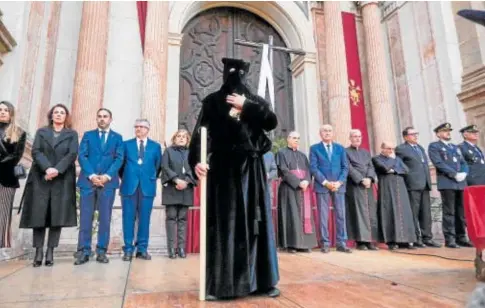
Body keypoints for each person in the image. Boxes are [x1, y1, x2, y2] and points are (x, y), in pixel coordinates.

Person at [188, 57, 280, 300]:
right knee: (224, 227)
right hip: (223, 172)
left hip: (252, 170)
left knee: (256, 224)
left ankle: (263, 282)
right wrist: (196, 160)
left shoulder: (256, 101)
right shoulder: (212, 102)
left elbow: (271, 122)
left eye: (239, 72)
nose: (235, 76)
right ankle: (222, 285)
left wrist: (246, 106)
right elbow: (200, 134)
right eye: (231, 72)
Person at [19, 104, 79, 267]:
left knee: (56, 215)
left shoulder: (72, 134)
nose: (59, 115)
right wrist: (47, 168)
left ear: (66, 117)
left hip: (62, 179)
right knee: (39, 214)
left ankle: (51, 251)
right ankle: (38, 251)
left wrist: (57, 169)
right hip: (41, 177)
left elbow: (72, 153)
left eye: (62, 113)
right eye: (56, 112)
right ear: (51, 115)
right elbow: (36, 151)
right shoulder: (41, 132)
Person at [74, 108, 124, 265]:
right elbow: (82, 156)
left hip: (108, 183)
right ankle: (83, 251)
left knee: (105, 218)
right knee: (85, 218)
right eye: (100, 116)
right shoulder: (88, 135)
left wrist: (107, 176)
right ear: (96, 119)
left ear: (110, 119)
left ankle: (101, 251)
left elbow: (119, 158)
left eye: (105, 116)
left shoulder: (118, 137)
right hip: (88, 182)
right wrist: (92, 175)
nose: (102, 119)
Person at [119, 119, 162, 261]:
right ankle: (128, 249)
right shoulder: (126, 144)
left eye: (142, 127)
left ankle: (142, 249)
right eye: (136, 126)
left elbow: (158, 166)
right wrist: (128, 177)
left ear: (148, 129)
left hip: (147, 187)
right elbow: (120, 166)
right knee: (128, 218)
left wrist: (148, 177)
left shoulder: (155, 146)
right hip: (129, 186)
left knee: (144, 219)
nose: (139, 129)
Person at [428, 122, 473, 248]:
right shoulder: (434, 146)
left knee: (461, 212)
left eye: (449, 131)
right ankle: (450, 239)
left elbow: (463, 162)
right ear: (438, 134)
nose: (448, 133)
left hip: (460, 183)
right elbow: (438, 162)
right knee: (449, 212)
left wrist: (464, 172)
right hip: (447, 182)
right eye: (445, 131)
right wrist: (454, 174)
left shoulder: (454, 147)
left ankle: (461, 237)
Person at [395, 127, 441, 248]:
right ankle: (416, 238)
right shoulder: (401, 149)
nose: (416, 136)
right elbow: (400, 165)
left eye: (416, 133)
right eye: (412, 134)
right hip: (412, 185)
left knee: (426, 213)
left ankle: (427, 237)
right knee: (414, 213)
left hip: (425, 184)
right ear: (405, 137)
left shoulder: (420, 148)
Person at [309, 124, 351, 253]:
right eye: (324, 131)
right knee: (323, 216)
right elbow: (314, 168)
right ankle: (325, 243)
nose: (327, 133)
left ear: (333, 133)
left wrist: (339, 182)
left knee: (341, 215)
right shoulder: (314, 148)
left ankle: (341, 243)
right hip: (322, 186)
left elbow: (345, 167)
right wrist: (325, 182)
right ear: (320, 134)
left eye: (329, 131)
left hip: (339, 186)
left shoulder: (340, 148)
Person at [275, 131, 317, 252]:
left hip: (304, 188)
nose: (296, 140)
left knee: (305, 215)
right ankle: (291, 245)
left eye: (298, 138)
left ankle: (304, 245)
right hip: (289, 188)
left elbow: (309, 171)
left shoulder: (302, 155)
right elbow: (283, 170)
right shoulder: (281, 153)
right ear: (288, 139)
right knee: (291, 215)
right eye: (294, 138)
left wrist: (306, 181)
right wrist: (298, 182)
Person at [372, 142, 417, 250]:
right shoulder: (376, 158)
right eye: (389, 148)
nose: (391, 151)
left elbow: (406, 170)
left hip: (400, 187)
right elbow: (384, 168)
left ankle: (405, 240)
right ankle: (391, 241)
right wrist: (394, 164)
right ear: (382, 148)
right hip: (387, 187)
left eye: (393, 148)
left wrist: (394, 170)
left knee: (403, 212)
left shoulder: (397, 158)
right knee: (389, 212)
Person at [161, 129, 195, 259]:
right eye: (178, 136)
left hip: (186, 189)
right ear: (174, 139)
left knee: (182, 219)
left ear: (187, 140)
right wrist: (176, 179)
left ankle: (181, 248)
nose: (181, 138)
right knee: (171, 218)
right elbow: (165, 167)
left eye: (184, 137)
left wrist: (186, 181)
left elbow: (193, 168)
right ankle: (171, 248)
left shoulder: (191, 153)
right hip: (172, 188)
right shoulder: (168, 151)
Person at [345, 129, 378, 251]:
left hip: (367, 185)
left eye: (359, 136)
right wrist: (360, 179)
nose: (357, 138)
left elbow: (371, 166)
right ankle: (361, 241)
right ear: (350, 138)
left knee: (370, 212)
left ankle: (370, 240)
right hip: (355, 186)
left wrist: (369, 178)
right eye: (354, 136)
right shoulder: (345, 152)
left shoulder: (366, 152)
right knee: (358, 213)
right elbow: (348, 167)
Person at [0, 101, 26, 248]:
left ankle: (2, 244)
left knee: (3, 213)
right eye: (0, 110)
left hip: (7, 177)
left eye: (6, 110)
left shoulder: (19, 132)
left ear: (11, 113)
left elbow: (16, 156)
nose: (3, 112)